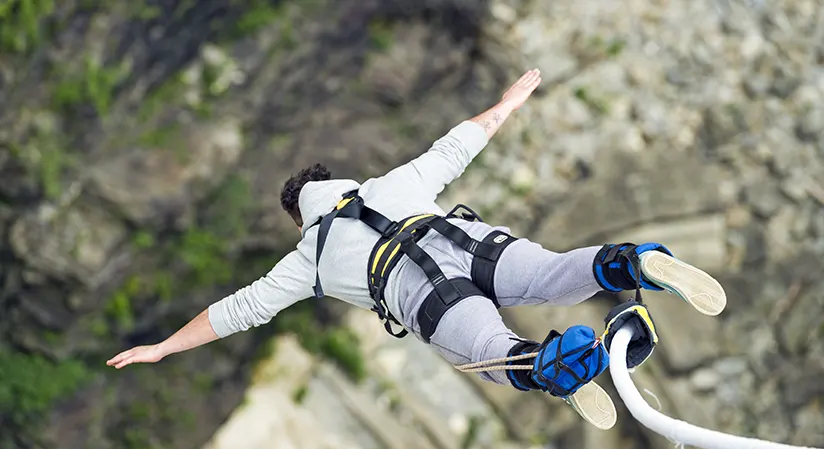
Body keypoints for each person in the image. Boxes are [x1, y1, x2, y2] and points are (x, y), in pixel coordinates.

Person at [107, 69, 727, 429]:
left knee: (495, 350)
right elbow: (458, 144)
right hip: (471, 243)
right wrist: (507, 103)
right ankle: (629, 263)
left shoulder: (307, 260)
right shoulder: (388, 184)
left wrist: (162, 347)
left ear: (300, 216)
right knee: (553, 274)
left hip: (425, 292)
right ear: (339, 183)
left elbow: (235, 311)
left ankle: (551, 366)